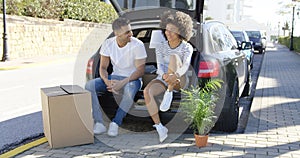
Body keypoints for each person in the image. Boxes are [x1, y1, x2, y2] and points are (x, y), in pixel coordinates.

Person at [85, 17, 147, 137]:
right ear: (116, 34)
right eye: (127, 32)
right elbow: (103, 68)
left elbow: (140, 71)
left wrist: (122, 83)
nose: (131, 34)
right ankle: (99, 123)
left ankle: (115, 123)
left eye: (130, 30)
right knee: (89, 86)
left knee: (129, 90)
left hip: (132, 79)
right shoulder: (108, 44)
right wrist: (106, 81)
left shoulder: (137, 45)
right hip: (114, 77)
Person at [143, 11, 193, 143]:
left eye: (172, 30)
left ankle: (169, 92)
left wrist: (174, 75)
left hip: (179, 80)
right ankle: (160, 127)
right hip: (164, 78)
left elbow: (185, 66)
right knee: (147, 91)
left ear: (181, 31)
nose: (167, 33)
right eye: (166, 30)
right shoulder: (161, 47)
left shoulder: (187, 47)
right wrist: (164, 75)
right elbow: (159, 66)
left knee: (174, 57)